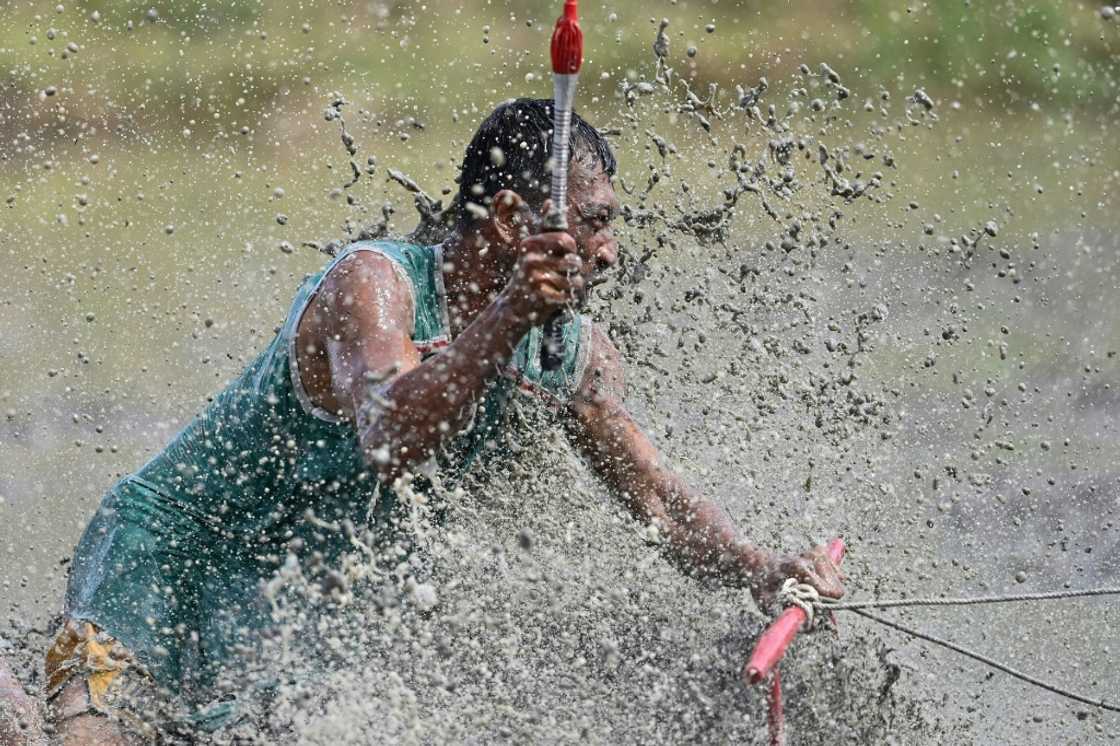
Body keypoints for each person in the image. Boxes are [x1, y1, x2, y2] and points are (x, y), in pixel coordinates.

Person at [4, 98, 843, 744]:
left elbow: (656, 501)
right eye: (592, 223)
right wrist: (508, 315)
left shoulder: (572, 357)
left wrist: (761, 568)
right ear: (511, 222)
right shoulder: (375, 285)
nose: (609, 252)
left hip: (282, 615)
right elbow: (388, 438)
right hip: (169, 558)